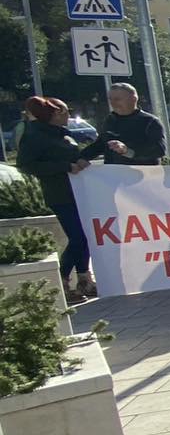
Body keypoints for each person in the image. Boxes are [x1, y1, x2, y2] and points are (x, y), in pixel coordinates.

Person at [16, 97, 93, 300]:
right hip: (59, 194)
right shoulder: (34, 135)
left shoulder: (62, 133)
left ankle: (84, 280)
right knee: (78, 237)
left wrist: (81, 160)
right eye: (65, 111)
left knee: (86, 236)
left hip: (79, 192)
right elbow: (26, 165)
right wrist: (64, 167)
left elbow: (71, 155)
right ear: (55, 114)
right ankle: (61, 281)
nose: (69, 115)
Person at [81, 82, 166, 165]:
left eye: (117, 99)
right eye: (110, 99)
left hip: (143, 172)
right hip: (114, 172)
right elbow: (101, 144)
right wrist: (81, 158)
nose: (113, 103)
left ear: (134, 99)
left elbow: (159, 150)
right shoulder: (110, 120)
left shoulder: (149, 121)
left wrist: (127, 151)